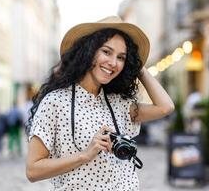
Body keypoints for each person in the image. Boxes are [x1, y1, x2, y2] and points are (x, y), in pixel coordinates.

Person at [25, 16, 175, 190]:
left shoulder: (119, 104)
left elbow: (166, 107)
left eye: (121, 57)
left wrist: (137, 66)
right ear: (88, 52)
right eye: (106, 52)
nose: (113, 63)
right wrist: (85, 155)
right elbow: (33, 171)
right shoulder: (55, 102)